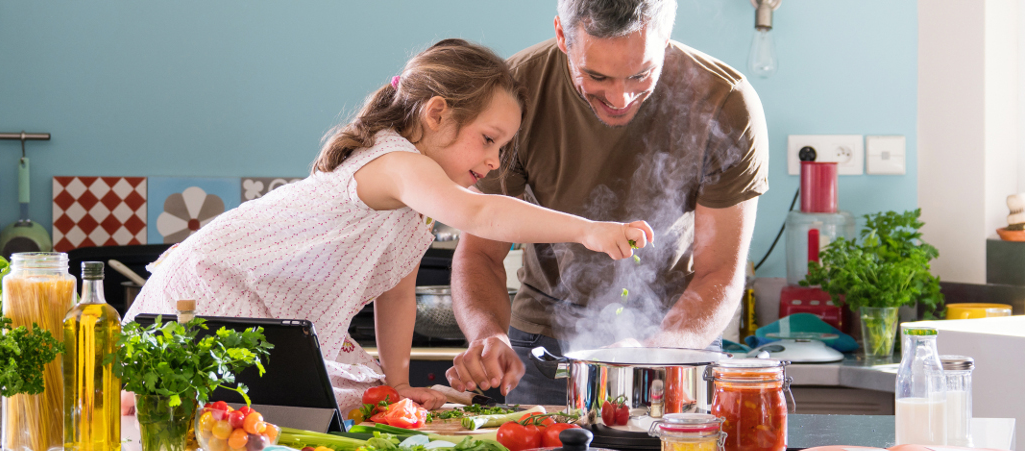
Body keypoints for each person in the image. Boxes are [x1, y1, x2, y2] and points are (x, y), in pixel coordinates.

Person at [123, 39, 654, 414]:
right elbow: (481, 214)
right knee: (203, 412)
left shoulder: (413, 205)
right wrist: (589, 230)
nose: (495, 161)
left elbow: (395, 296)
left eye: (503, 148)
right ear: (437, 113)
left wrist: (398, 382)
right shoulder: (398, 163)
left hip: (260, 311)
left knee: (330, 405)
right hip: (213, 289)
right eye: (489, 139)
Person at [446, 0, 769, 405]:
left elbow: (719, 271)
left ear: (665, 40)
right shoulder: (512, 95)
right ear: (563, 37)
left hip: (676, 346)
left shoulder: (726, 102)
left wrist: (657, 352)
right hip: (544, 351)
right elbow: (480, 252)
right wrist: (487, 334)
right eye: (596, 76)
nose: (620, 97)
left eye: (641, 74)